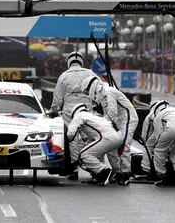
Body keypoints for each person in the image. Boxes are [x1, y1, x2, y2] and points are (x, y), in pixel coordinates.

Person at [49, 51, 100, 180]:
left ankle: (74, 168)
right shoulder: (90, 73)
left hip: (69, 110)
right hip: (86, 108)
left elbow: (57, 97)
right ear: (81, 61)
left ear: (69, 62)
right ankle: (94, 169)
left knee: (71, 138)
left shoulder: (64, 76)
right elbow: (99, 90)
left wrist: (54, 110)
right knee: (89, 137)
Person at [81, 76, 139, 185]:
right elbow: (108, 114)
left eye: (87, 92)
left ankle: (126, 173)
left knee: (123, 145)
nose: (88, 95)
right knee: (112, 147)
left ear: (91, 87)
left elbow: (112, 111)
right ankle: (118, 172)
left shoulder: (108, 91)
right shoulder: (102, 95)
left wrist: (103, 126)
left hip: (128, 119)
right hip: (117, 121)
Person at [139, 100, 175, 187]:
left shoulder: (157, 116)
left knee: (159, 149)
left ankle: (161, 176)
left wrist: (163, 149)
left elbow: (158, 135)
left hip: (172, 128)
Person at [67, 103, 122, 186]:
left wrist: (67, 139)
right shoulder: (95, 117)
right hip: (117, 137)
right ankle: (114, 175)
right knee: (95, 154)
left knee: (83, 155)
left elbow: (70, 133)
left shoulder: (79, 116)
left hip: (107, 138)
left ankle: (106, 172)